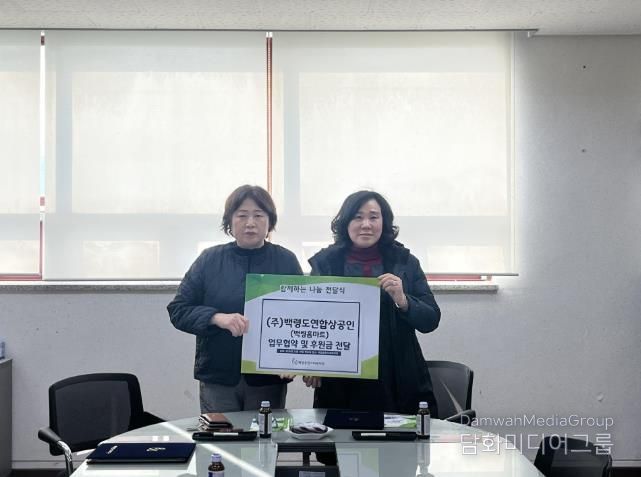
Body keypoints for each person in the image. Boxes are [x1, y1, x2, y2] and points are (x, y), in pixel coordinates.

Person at [168, 185, 302, 412]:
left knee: (264, 433)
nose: (250, 223)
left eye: (259, 215)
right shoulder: (210, 260)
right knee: (221, 435)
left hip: (267, 377)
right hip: (218, 375)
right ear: (229, 221)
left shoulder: (285, 261)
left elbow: (302, 315)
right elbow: (178, 309)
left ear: (270, 221)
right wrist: (216, 317)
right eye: (242, 215)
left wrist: (293, 359)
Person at [305, 190, 441, 416]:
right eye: (357, 217)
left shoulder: (405, 262)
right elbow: (311, 319)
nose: (366, 224)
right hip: (341, 377)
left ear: (384, 222)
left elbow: (431, 319)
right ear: (345, 223)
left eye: (373, 217)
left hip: (396, 374)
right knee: (339, 436)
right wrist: (312, 363)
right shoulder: (326, 264)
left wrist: (403, 300)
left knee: (398, 437)